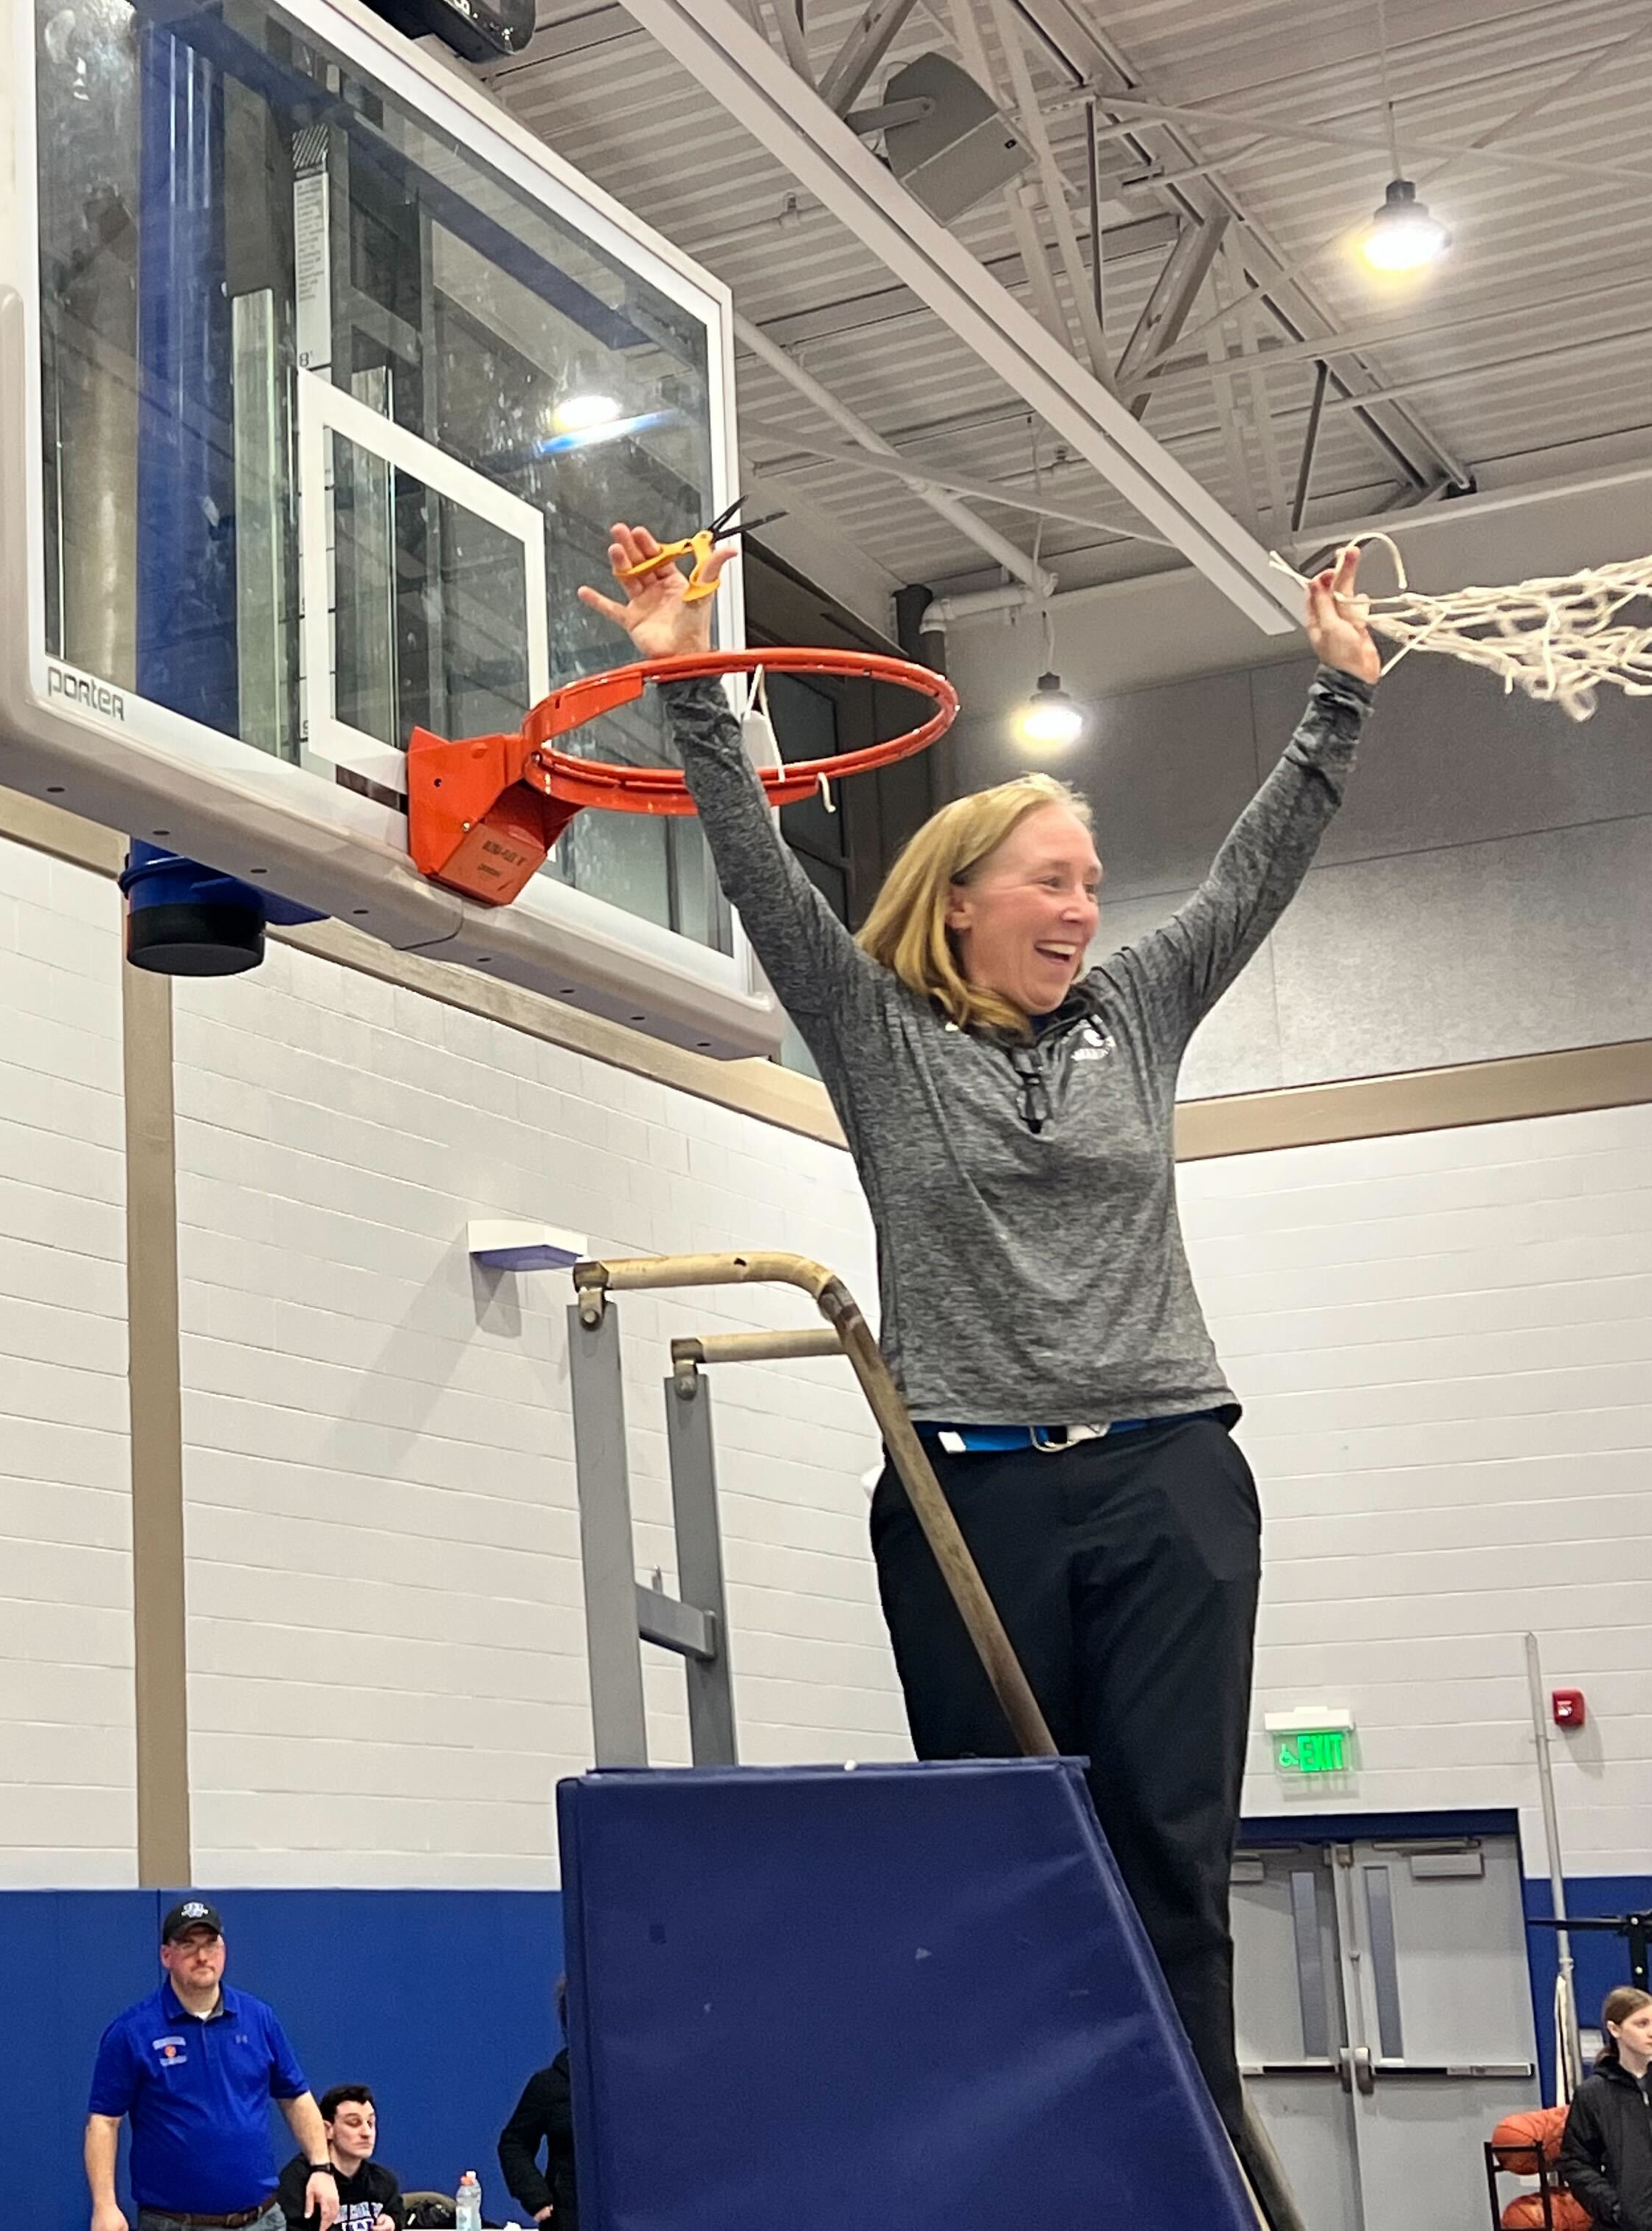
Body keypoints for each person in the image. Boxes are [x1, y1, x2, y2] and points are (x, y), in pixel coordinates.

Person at [578, 526, 1384, 2144]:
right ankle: (1035, 2163)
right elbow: (757, 870)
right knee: (1009, 1847)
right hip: (972, 1497)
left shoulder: (1140, 1012)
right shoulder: (877, 1036)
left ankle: (1188, 2159)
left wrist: (1338, 701)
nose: (1086, 907)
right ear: (960, 899)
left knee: (1173, 1855)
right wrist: (686, 673)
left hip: (1168, 1475)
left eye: (1092, 883)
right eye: (1054, 879)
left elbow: (1251, 876)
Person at [88, 1898, 342, 2231]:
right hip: (176, 2223)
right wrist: (105, 2205)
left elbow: (295, 2096)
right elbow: (104, 2123)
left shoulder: (258, 2018)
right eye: (188, 1946)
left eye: (211, 1944)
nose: (203, 1956)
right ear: (167, 1956)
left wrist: (321, 2169)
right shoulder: (132, 2032)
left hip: (263, 2220)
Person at [1562, 1986, 1652, 2229]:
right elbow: (1576, 2162)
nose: (1651, 2032)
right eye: (1642, 2024)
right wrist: (1615, 2208)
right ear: (1615, 2029)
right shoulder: (1593, 2094)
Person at [496, 1982, 576, 2230]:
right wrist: (537, 2198)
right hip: (568, 2218)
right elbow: (514, 2143)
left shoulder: (634, 2084)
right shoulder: (549, 2085)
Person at [275, 2085, 402, 2231]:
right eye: (354, 2123)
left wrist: (393, 2222)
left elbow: (398, 2213)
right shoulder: (298, 2180)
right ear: (328, 2130)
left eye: (370, 2123)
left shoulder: (384, 2181)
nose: (367, 2132)